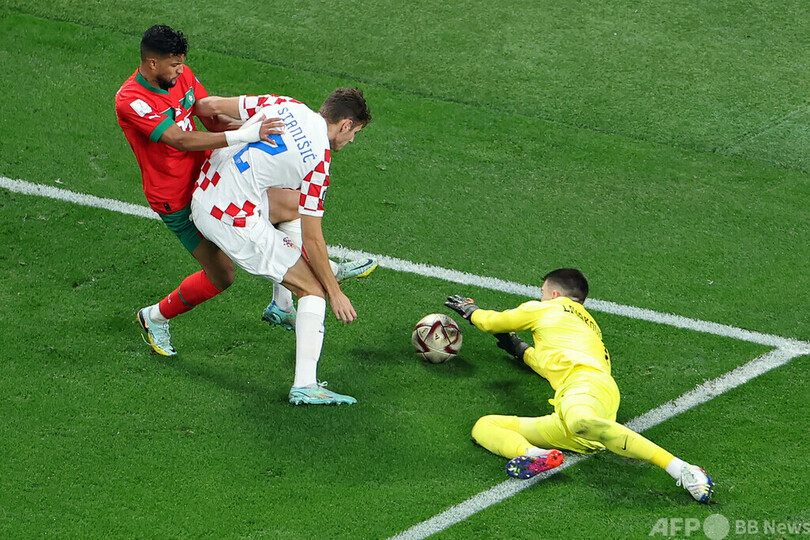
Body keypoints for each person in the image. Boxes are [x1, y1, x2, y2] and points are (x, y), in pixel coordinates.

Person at [115, 25, 375, 356]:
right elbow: (178, 139)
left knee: (294, 203)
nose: (181, 71)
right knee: (222, 276)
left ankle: (283, 302)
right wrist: (245, 135)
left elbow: (211, 116)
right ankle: (154, 317)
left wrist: (260, 131)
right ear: (152, 63)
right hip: (176, 198)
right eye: (174, 65)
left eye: (182, 63)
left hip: (213, 175)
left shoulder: (180, 76)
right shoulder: (130, 100)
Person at [445, 268, 715, 504]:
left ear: (553, 294)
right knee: (485, 426)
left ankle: (682, 468)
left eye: (542, 292)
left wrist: (472, 311)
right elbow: (555, 362)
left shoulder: (545, 308)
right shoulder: (590, 326)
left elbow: (492, 323)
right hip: (588, 399)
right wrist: (521, 350)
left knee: (580, 421)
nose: (541, 297)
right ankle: (537, 455)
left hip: (583, 388)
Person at [190, 87, 372, 405]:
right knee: (313, 288)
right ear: (345, 125)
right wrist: (334, 292)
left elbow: (208, 106)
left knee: (293, 205)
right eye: (354, 132)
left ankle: (282, 305)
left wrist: (241, 132)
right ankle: (305, 385)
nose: (352, 140)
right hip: (231, 220)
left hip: (205, 191)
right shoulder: (319, 162)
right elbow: (313, 239)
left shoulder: (285, 104)